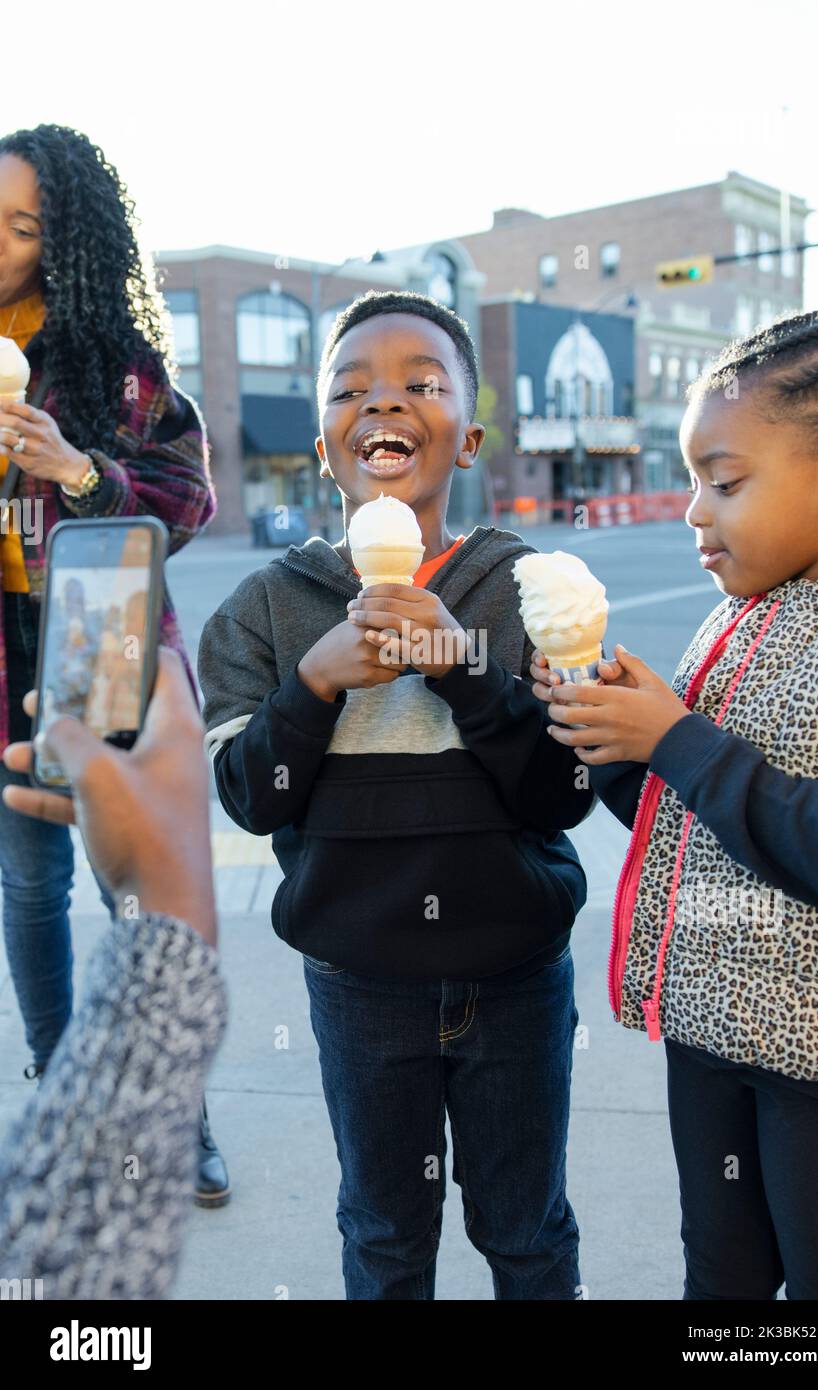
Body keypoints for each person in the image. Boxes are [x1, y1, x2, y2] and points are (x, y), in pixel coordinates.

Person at [197, 290, 596, 1300]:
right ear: (326, 440)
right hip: (360, 979)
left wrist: (466, 670)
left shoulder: (528, 588)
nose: (384, 402)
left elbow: (563, 794)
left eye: (421, 383)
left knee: (529, 1230)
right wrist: (317, 682)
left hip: (514, 973)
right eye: (351, 388)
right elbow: (252, 796)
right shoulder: (265, 609)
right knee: (383, 1234)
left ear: (467, 438)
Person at [533, 307, 818, 1300]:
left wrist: (674, 736)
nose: (692, 510)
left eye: (723, 482)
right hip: (711, 1031)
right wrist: (611, 742)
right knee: (720, 1273)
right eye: (692, 481)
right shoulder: (735, 620)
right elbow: (692, 822)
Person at [0, 123, 228, 1204]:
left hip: (100, 643)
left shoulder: (111, 362)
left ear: (64, 240)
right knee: (28, 886)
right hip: (4, 660)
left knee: (131, 885)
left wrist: (76, 468)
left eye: (21, 226)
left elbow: (186, 500)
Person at [0, 649, 227, 1299]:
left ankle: (176, 1119)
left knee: (114, 885)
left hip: (116, 666)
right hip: (8, 687)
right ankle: (59, 1090)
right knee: (32, 886)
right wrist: (177, 902)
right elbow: (64, 1282)